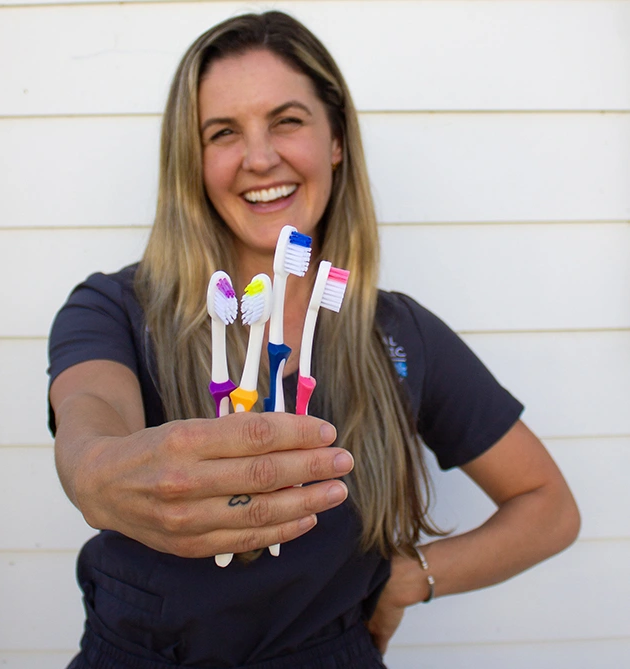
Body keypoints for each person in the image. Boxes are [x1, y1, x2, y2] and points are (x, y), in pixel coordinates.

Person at [47, 10, 580, 669]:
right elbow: (89, 412)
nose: (260, 157)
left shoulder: (398, 336)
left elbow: (549, 506)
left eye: (287, 121)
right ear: (193, 161)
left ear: (335, 141)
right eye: (223, 133)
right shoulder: (115, 307)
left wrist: (412, 576)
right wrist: (95, 469)